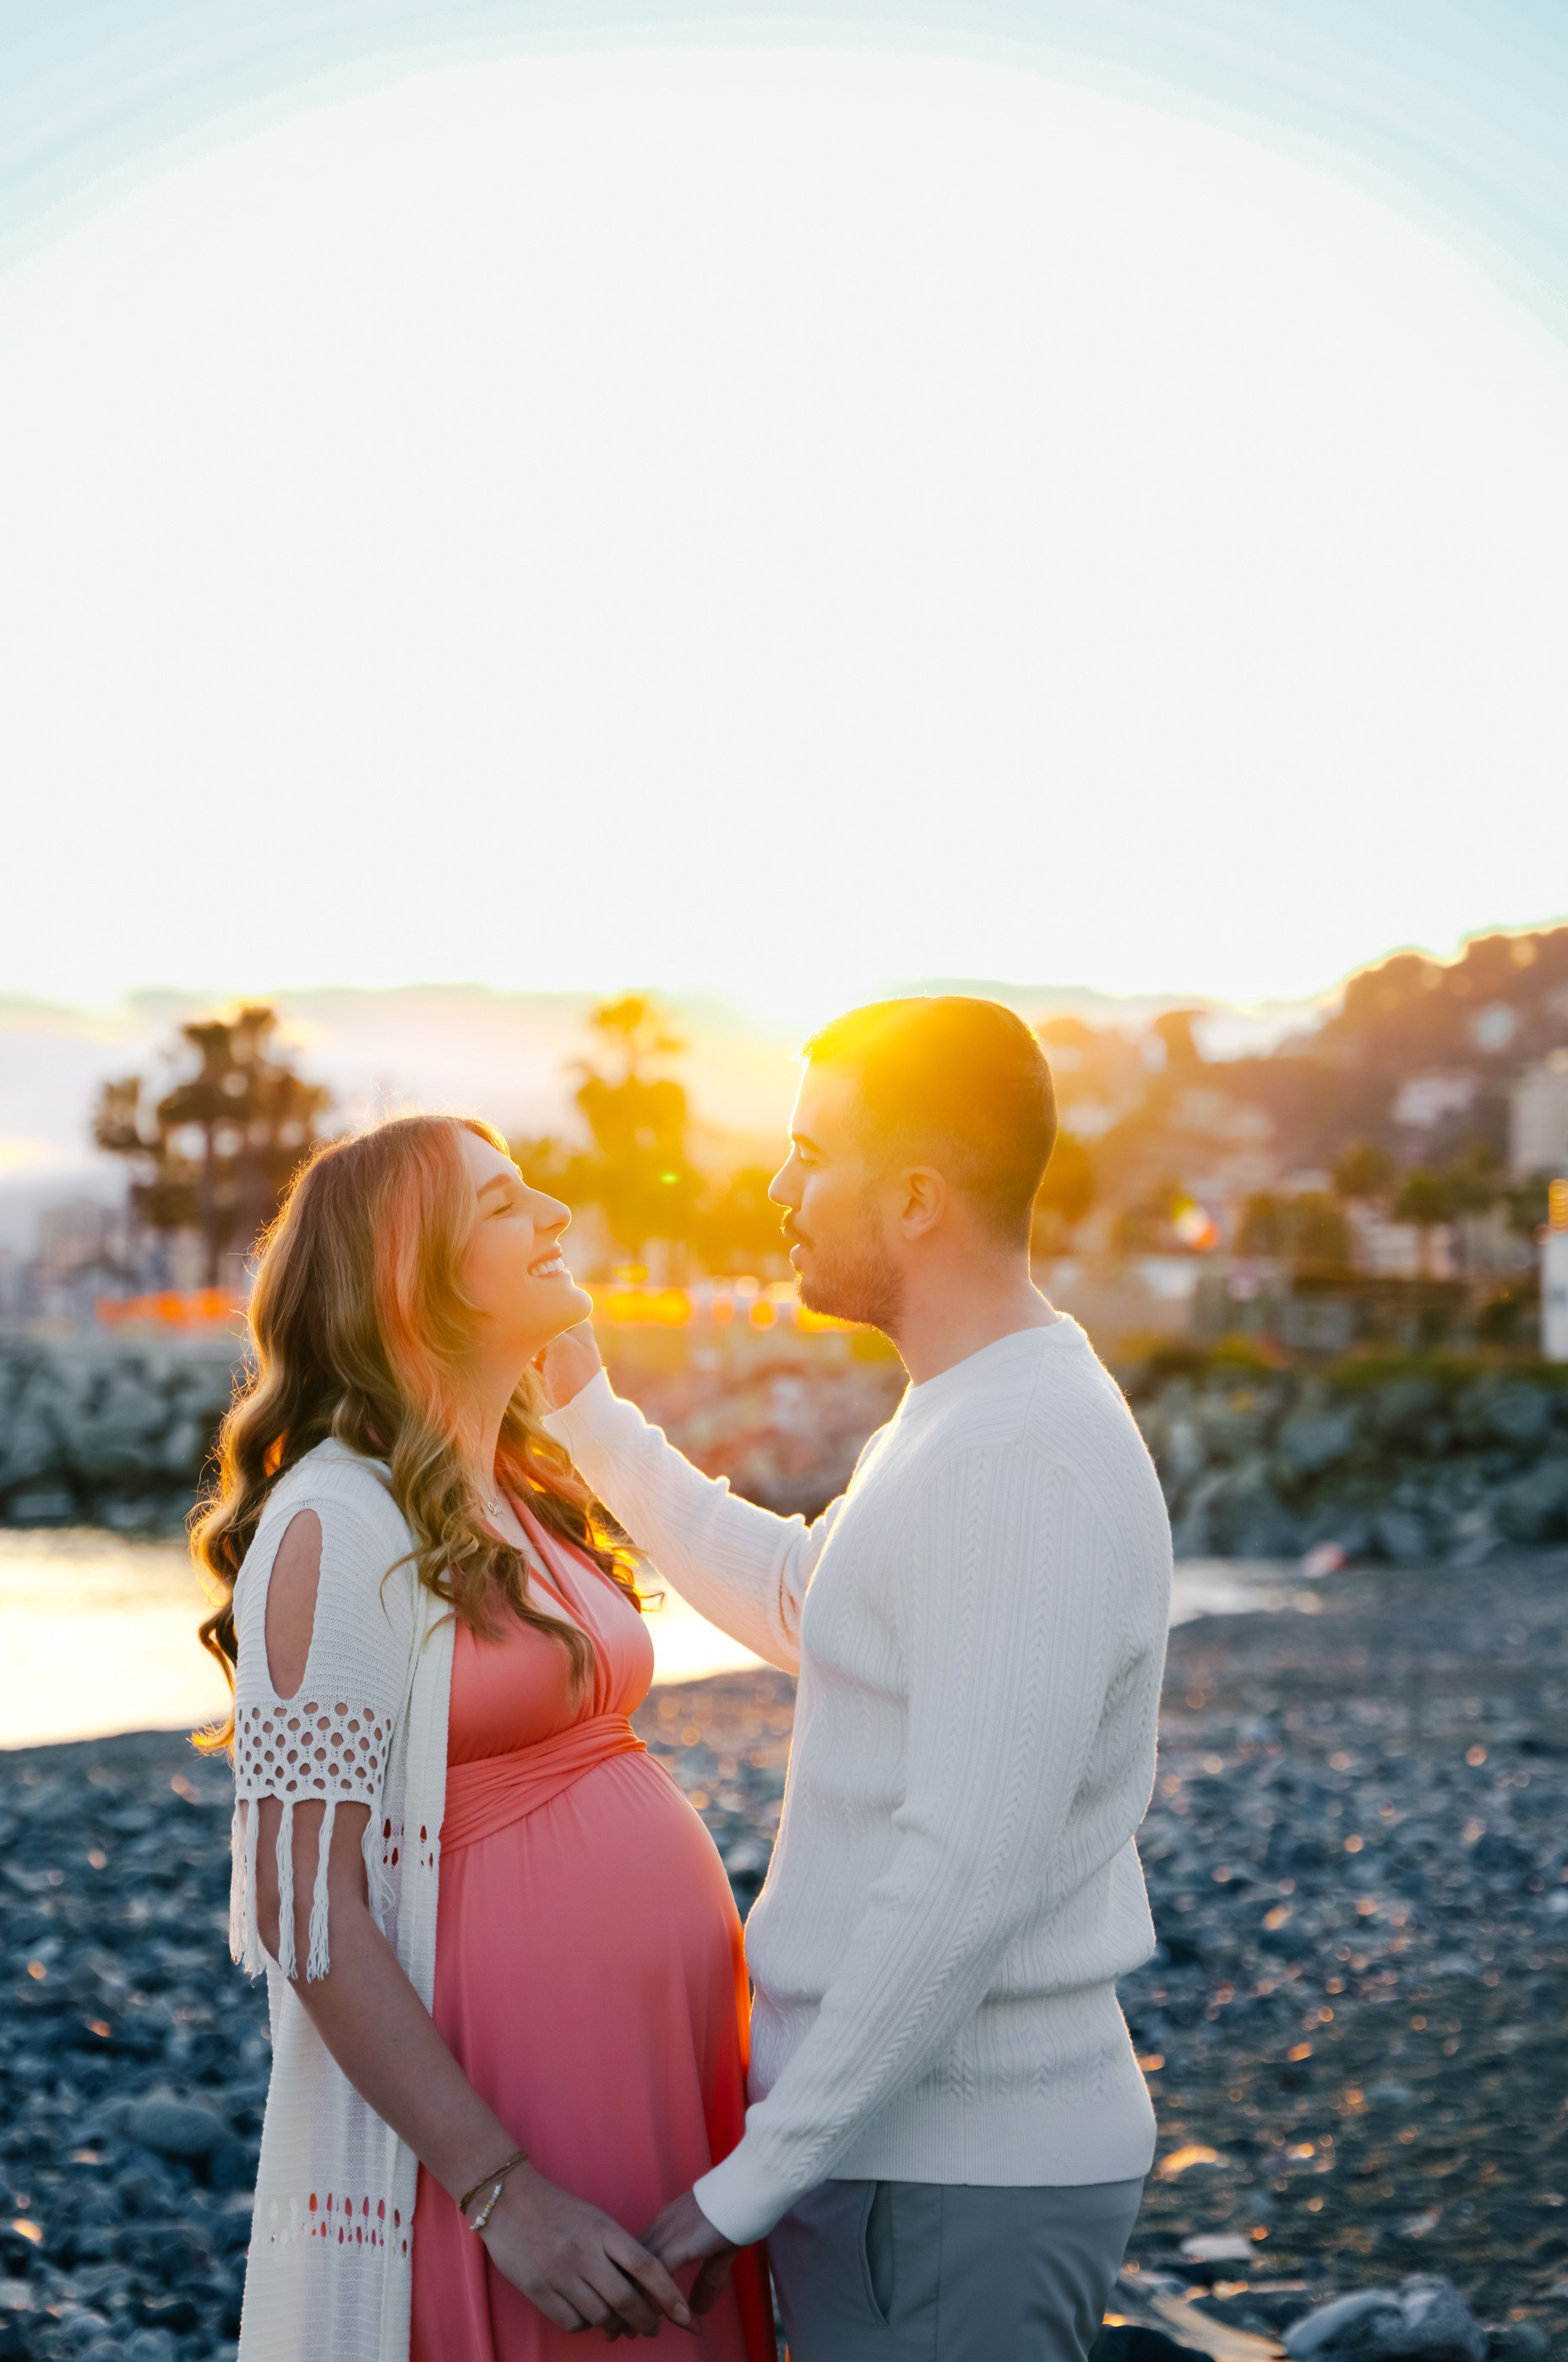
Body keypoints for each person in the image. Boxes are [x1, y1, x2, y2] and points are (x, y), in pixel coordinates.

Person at [540, 996, 1173, 2362]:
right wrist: (589, 1415)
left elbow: (965, 1872)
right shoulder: (961, 1414)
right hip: (909, 2165)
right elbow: (806, 1599)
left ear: (915, 1198)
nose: (776, 1188)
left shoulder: (1016, 1455)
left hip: (949, 2174)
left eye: (808, 1152)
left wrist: (747, 2184)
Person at [190, 1114, 776, 2362]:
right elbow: (304, 1905)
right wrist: (502, 2189)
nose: (556, 1215)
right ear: (412, 1274)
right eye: (507, 1205)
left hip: (667, 2069)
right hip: (511, 2102)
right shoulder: (330, 1524)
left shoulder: (521, 1490)